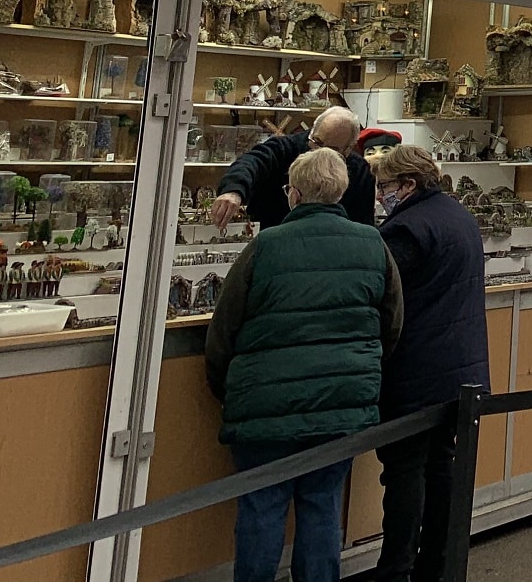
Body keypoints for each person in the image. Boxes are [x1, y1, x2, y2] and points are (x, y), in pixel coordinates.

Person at [205, 149, 404, 582]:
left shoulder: (266, 245)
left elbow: (223, 330)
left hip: (265, 403)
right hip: (341, 404)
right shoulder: (373, 244)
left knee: (261, 508)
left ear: (293, 194)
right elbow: (391, 325)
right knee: (322, 508)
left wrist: (229, 388)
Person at [372, 146, 491, 582]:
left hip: (415, 368)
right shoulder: (459, 216)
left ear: (407, 185)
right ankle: (438, 567)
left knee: (404, 472)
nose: (380, 195)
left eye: (384, 186)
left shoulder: (405, 230)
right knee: (442, 467)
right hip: (460, 367)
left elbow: (383, 293)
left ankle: (396, 569)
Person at [210, 106, 376, 229]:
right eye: (317, 142)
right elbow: (252, 161)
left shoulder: (360, 172)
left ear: (348, 149)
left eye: (331, 150)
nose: (319, 151)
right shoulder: (284, 148)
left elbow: (361, 223)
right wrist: (234, 190)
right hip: (274, 237)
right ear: (312, 131)